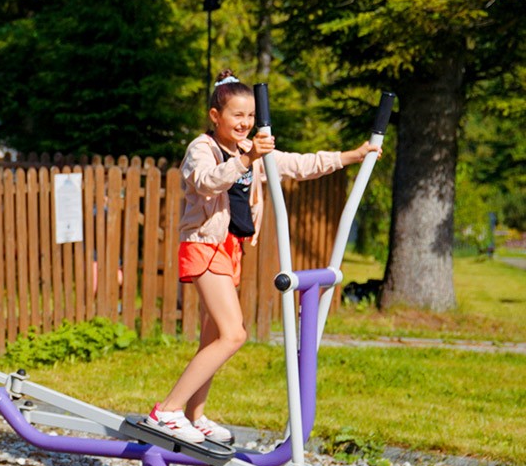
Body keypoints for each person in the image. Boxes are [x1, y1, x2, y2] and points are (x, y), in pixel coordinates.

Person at [144, 70, 378, 444]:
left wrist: (352, 155)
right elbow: (206, 182)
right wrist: (247, 158)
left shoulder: (249, 152)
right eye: (237, 115)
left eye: (250, 116)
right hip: (204, 246)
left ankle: (194, 415)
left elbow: (300, 165)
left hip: (230, 249)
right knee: (233, 334)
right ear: (215, 116)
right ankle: (167, 410)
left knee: (212, 338)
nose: (245, 123)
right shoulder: (202, 149)